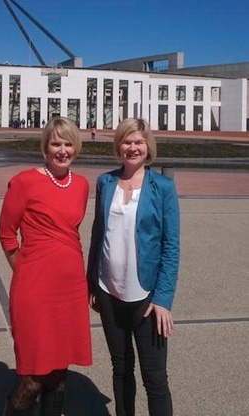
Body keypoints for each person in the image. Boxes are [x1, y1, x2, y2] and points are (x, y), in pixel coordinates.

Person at [0, 116, 92, 416]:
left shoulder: (81, 185)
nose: (62, 150)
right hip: (35, 290)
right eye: (55, 143)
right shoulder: (25, 181)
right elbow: (6, 232)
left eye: (68, 144)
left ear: (76, 147)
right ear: (45, 147)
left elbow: (71, 233)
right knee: (32, 378)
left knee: (59, 376)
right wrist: (25, 270)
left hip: (70, 290)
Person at [87, 118, 180, 416]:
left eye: (138, 142)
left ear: (147, 146)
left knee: (155, 379)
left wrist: (163, 299)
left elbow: (171, 246)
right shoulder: (106, 182)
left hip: (147, 297)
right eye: (127, 141)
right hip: (109, 291)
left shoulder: (162, 187)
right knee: (121, 368)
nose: (132, 147)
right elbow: (97, 234)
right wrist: (93, 283)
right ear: (119, 146)